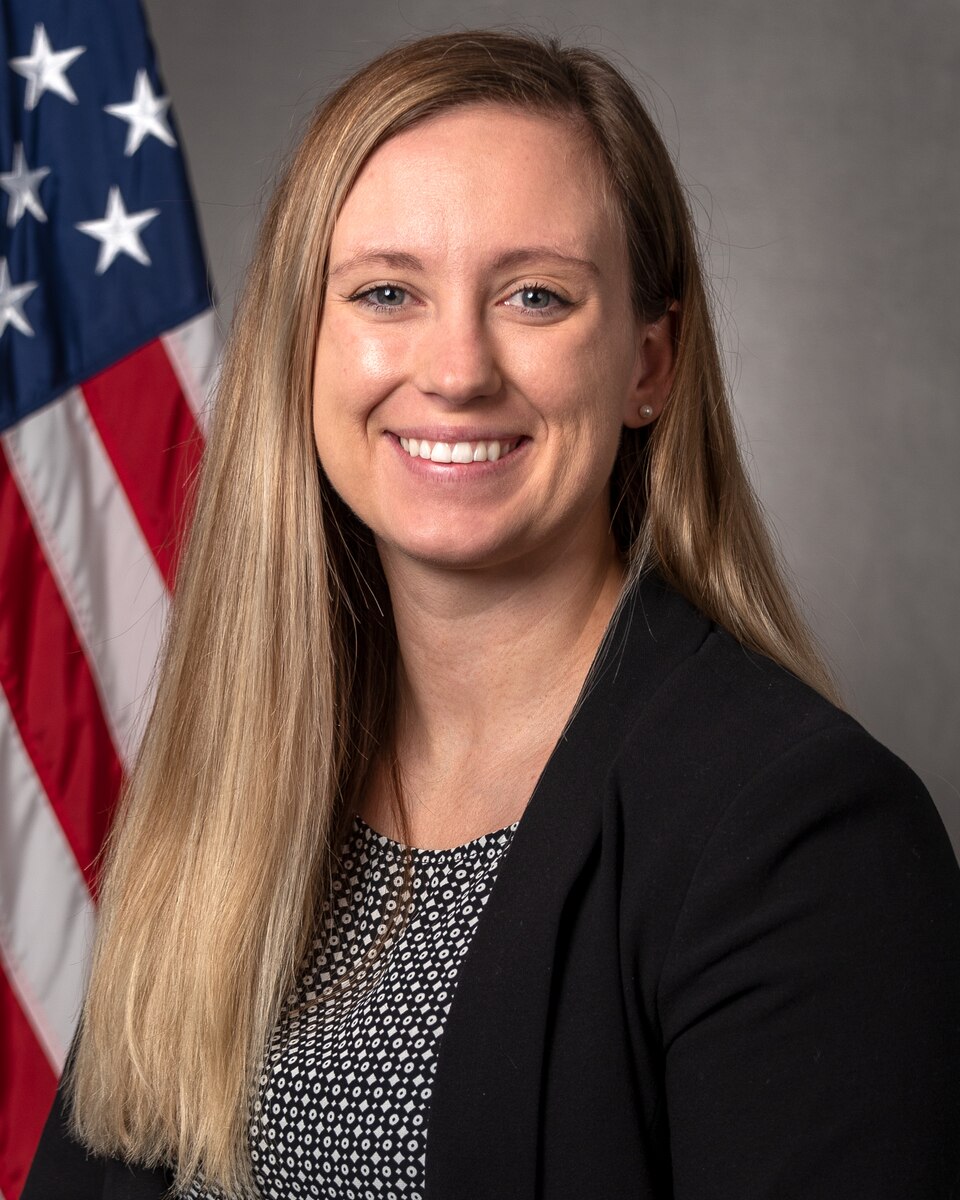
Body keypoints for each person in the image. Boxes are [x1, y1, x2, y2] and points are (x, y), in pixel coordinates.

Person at [24, 28, 960, 1200]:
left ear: (647, 366)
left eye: (535, 296)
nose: (457, 367)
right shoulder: (248, 772)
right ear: (301, 348)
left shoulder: (805, 838)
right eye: (385, 292)